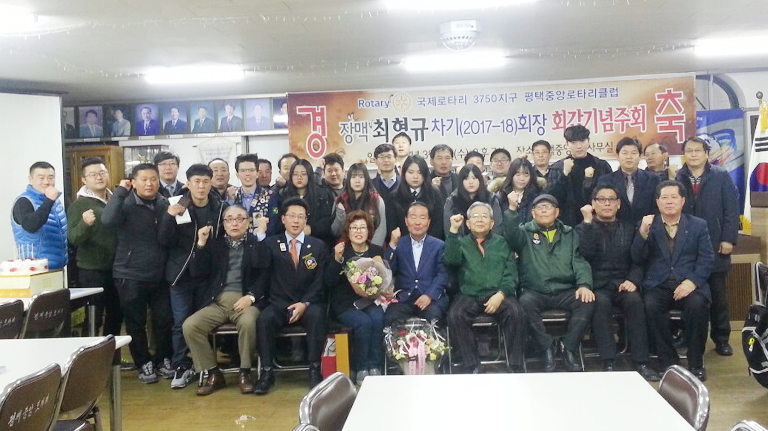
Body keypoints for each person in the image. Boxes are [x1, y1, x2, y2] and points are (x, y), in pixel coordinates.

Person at [632, 180, 714, 381]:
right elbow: (637, 257)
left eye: (674, 197)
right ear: (657, 202)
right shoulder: (648, 224)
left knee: (697, 306)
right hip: (658, 284)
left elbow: (707, 259)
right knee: (650, 306)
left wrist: (691, 282)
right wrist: (642, 232)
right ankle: (668, 361)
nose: (669, 202)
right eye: (664, 198)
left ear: (683, 201)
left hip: (689, 283)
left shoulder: (698, 225)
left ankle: (696, 363)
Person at [503, 193, 594, 372]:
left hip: (565, 290)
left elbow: (579, 260)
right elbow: (511, 236)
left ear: (557, 212)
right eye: (539, 207)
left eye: (548, 206)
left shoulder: (569, 233)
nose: (544, 210)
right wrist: (512, 209)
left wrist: (584, 284)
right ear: (533, 213)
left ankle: (568, 347)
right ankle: (546, 348)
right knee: (524, 303)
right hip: (535, 291)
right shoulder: (524, 232)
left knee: (586, 301)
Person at [576, 185, 659, 381]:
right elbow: (585, 254)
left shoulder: (630, 228)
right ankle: (608, 361)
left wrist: (633, 280)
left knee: (635, 302)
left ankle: (641, 362)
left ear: (619, 204)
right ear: (593, 204)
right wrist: (587, 223)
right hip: (597, 285)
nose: (607, 203)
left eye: (611, 199)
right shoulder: (582, 228)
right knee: (600, 304)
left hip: (623, 283)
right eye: (601, 199)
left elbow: (638, 259)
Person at [183, 205, 267, 396]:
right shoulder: (216, 245)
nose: (234, 223)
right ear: (224, 223)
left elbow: (264, 274)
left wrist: (251, 297)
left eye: (239, 219)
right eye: (229, 219)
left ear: (248, 222)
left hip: (245, 301)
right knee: (190, 326)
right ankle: (213, 373)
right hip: (218, 302)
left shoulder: (256, 243)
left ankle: (245, 372)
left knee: (248, 323)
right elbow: (197, 272)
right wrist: (201, 243)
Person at [102, 163, 173, 384]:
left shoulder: (164, 204)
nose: (149, 183)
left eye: (153, 179)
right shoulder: (125, 204)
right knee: (135, 322)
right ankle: (143, 363)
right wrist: (120, 192)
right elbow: (107, 221)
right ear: (133, 182)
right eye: (144, 179)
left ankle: (163, 358)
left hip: (160, 274)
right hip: (130, 273)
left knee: (164, 319)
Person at [158, 164, 226, 389]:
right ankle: (180, 364)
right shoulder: (178, 205)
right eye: (196, 181)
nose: (201, 186)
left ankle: (204, 365)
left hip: (208, 276)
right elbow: (165, 240)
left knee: (201, 323)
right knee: (181, 323)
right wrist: (169, 217)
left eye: (205, 181)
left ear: (211, 183)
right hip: (181, 275)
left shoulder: (219, 207)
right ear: (188, 183)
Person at [253, 197, 328, 394]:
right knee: (264, 320)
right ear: (283, 219)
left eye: (300, 217)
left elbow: (320, 281)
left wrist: (305, 303)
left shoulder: (318, 245)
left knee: (318, 316)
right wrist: (260, 235)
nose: (296, 221)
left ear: (306, 220)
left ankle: (314, 369)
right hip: (279, 303)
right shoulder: (271, 243)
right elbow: (259, 267)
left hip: (308, 303)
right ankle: (267, 372)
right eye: (292, 216)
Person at [675, 137, 740, 357]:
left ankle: (721, 338)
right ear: (684, 154)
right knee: (688, 295)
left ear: (706, 153)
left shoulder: (720, 175)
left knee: (718, 296)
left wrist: (728, 238)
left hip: (715, 243)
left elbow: (731, 209)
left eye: (698, 150)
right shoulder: (679, 177)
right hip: (687, 248)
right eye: (689, 151)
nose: (693, 154)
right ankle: (687, 335)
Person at [444, 203, 526, 374]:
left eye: (484, 216)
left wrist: (501, 294)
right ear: (468, 224)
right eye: (475, 216)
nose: (479, 219)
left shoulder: (503, 243)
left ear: (492, 223)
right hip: (469, 294)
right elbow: (451, 260)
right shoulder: (460, 243)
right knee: (455, 314)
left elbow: (511, 275)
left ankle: (515, 364)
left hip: (498, 294)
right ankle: (472, 365)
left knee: (516, 312)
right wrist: (453, 231)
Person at [326, 211, 386, 383]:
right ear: (348, 231)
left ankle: (375, 366)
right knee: (363, 323)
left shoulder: (376, 251)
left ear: (369, 231)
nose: (358, 231)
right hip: (345, 303)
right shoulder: (341, 251)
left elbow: (384, 277)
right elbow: (328, 281)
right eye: (354, 228)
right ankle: (361, 368)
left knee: (378, 318)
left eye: (362, 227)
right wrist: (337, 259)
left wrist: (382, 288)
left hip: (370, 300)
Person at [67, 158, 120, 337]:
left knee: (116, 314)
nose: (99, 177)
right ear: (84, 180)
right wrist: (85, 224)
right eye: (93, 174)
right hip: (92, 270)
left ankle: (112, 352)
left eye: (102, 172)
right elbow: (73, 238)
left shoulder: (115, 199)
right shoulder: (79, 205)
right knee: (93, 317)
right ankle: (89, 351)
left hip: (117, 268)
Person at [384, 202, 449, 325]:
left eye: (422, 217)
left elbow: (443, 274)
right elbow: (388, 269)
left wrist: (429, 295)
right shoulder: (399, 244)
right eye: (413, 217)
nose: (417, 222)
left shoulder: (439, 245)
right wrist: (392, 244)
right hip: (404, 298)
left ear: (428, 222)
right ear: (406, 221)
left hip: (431, 298)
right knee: (391, 317)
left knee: (434, 316)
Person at [549, 124, 613, 226]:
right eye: (573, 142)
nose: (579, 146)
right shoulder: (557, 168)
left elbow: (609, 195)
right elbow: (552, 198)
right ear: (567, 144)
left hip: (597, 222)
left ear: (588, 142)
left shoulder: (601, 166)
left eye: (582, 141)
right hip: (566, 224)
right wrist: (564, 174)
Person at [11, 161, 67, 269]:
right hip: (35, 268)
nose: (46, 182)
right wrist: (49, 201)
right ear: (30, 179)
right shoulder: (24, 201)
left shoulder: (56, 202)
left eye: (50, 178)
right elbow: (31, 226)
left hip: (57, 266)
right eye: (41, 178)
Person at [596, 137, 660, 226]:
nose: (629, 157)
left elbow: (657, 207)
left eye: (633, 153)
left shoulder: (653, 179)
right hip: (615, 230)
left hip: (646, 229)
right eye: (625, 153)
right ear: (617, 156)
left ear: (640, 156)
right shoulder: (605, 180)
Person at [279, 159, 335, 244]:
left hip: (317, 240)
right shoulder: (283, 194)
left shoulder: (322, 194)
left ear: (309, 175)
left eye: (303, 174)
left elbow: (326, 221)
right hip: (289, 240)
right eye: (295, 174)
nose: (299, 177)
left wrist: (311, 229)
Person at [390, 155, 445, 240]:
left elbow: (438, 223)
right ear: (404, 173)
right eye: (411, 172)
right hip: (402, 243)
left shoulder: (434, 194)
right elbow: (392, 225)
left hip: (431, 242)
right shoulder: (395, 195)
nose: (415, 176)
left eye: (419, 172)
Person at [332, 163, 387, 247]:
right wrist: (340, 214)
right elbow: (335, 232)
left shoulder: (376, 200)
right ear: (348, 179)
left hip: (371, 248)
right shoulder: (340, 200)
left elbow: (381, 230)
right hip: (346, 248)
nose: (357, 181)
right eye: (353, 177)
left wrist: (372, 250)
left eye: (361, 177)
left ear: (366, 179)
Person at [228, 153, 279, 237]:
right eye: (243, 171)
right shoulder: (232, 196)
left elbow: (274, 224)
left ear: (257, 173)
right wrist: (230, 201)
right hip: (237, 242)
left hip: (263, 242)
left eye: (251, 170)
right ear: (237, 175)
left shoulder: (270, 196)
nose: (247, 174)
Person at [444, 164, 502, 237]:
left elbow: (497, 228)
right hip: (461, 243)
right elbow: (449, 230)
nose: (471, 182)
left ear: (480, 180)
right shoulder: (452, 201)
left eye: (474, 178)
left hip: (489, 242)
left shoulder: (491, 199)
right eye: (466, 178)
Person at [498, 158, 542, 224]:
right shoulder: (501, 196)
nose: (522, 179)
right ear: (511, 175)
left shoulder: (538, 196)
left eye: (526, 174)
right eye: (517, 174)